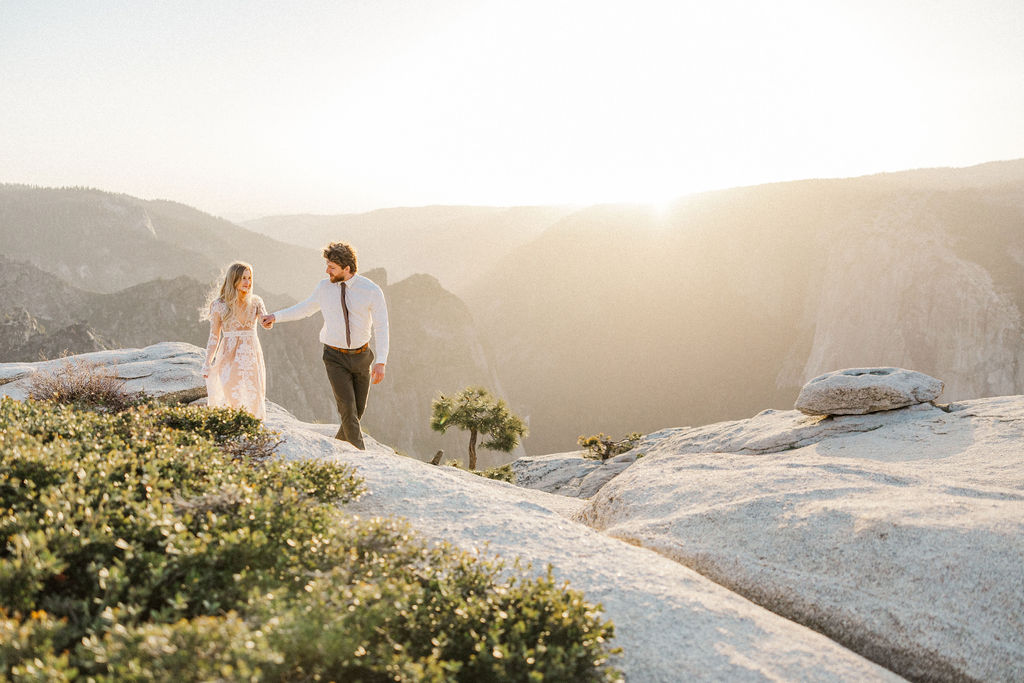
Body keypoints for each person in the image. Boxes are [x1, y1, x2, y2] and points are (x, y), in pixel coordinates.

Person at [261, 242, 389, 449]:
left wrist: (381, 361)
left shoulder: (371, 291)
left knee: (357, 410)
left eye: (332, 267)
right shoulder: (323, 288)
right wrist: (276, 316)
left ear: (347, 269)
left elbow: (382, 327)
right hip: (334, 357)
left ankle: (336, 449)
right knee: (347, 408)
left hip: (362, 356)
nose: (326, 271)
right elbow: (304, 309)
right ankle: (361, 457)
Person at [201, 262, 269, 420]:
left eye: (249, 278)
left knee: (253, 391)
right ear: (233, 279)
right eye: (243, 278)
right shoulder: (219, 305)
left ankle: (253, 426)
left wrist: (268, 321)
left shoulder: (256, 302)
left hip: (251, 354)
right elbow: (214, 336)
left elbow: (264, 320)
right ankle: (231, 425)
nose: (248, 282)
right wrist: (207, 362)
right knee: (231, 390)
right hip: (229, 354)